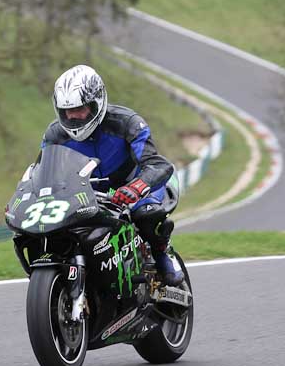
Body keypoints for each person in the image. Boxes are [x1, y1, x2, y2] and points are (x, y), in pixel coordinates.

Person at [41, 64, 184, 286]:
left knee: (147, 215)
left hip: (134, 187)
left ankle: (163, 254)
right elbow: (44, 172)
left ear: (97, 103)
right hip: (87, 195)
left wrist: (135, 188)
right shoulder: (54, 135)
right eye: (67, 111)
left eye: (80, 109)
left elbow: (156, 164)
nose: (73, 117)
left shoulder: (128, 123)